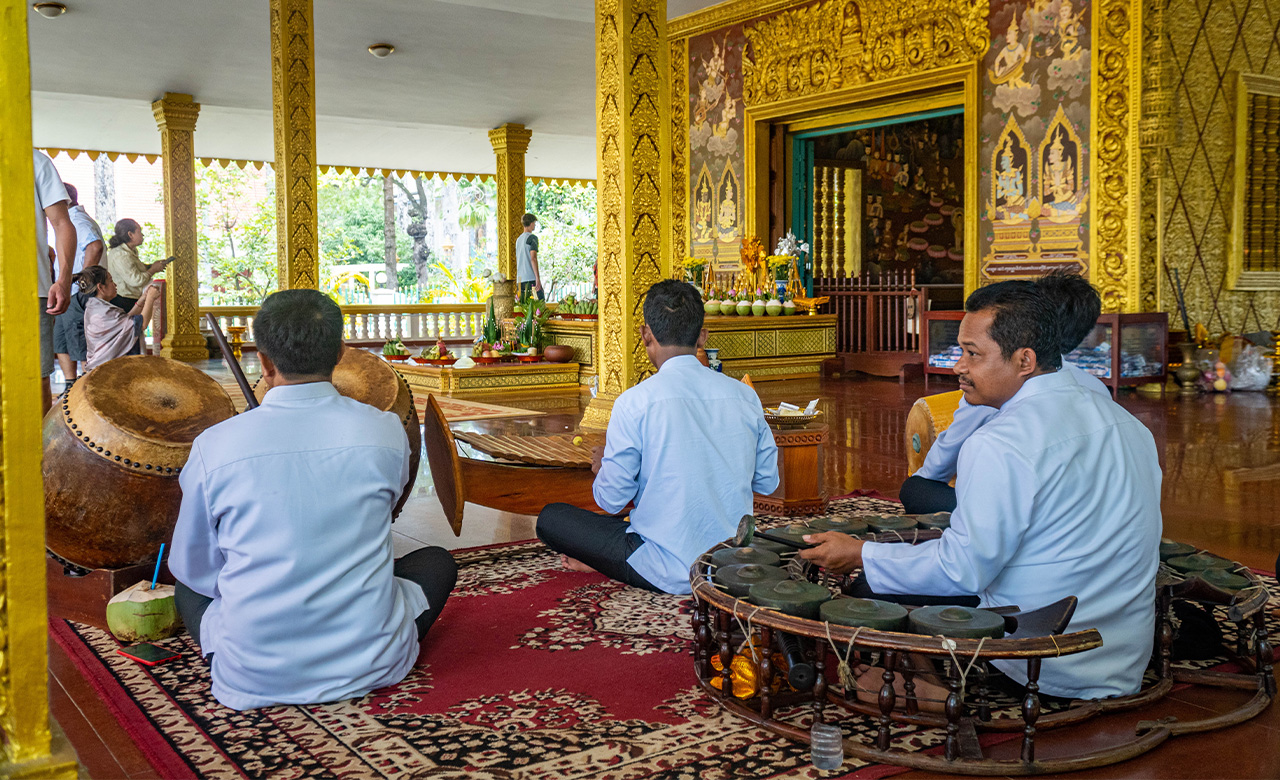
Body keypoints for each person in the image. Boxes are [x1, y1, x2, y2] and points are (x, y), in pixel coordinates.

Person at [800, 281, 1162, 700]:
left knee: (867, 591)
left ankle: (936, 689)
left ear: (1024, 360)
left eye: (973, 354)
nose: (959, 366)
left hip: (1041, 654)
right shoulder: (1127, 422)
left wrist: (861, 553)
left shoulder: (1001, 442)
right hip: (1123, 653)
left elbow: (962, 570)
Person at [168, 289, 457, 711]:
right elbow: (387, 507)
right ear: (340, 353)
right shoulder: (385, 430)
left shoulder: (215, 445)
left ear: (264, 363)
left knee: (185, 589)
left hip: (252, 674)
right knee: (436, 562)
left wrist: (258, 583)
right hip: (373, 663)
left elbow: (192, 566)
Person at [536, 280, 779, 595]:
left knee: (551, 519)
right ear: (702, 335)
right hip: (731, 564)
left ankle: (604, 560)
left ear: (645, 334)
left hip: (664, 568)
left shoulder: (634, 402)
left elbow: (610, 500)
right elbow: (767, 482)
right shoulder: (744, 396)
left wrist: (605, 467)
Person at [900, 272, 1111, 515]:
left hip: (1030, 511)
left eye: (972, 353)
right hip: (1089, 506)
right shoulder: (1098, 389)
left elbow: (937, 467)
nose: (958, 367)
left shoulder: (991, 394)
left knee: (915, 489)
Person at [33, 150, 77, 413]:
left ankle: (36, 440)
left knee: (35, 377)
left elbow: (61, 224)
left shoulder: (34, 161)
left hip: (29, 290)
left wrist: (63, 280)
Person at [52, 184, 105, 386]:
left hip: (77, 292)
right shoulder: (69, 220)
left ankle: (87, 390)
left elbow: (95, 246)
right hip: (69, 291)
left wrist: (83, 282)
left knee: (81, 345)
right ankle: (70, 387)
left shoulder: (78, 221)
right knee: (62, 342)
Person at [76, 266, 161, 371]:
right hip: (106, 369)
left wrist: (142, 299)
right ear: (101, 287)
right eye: (111, 281)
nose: (115, 284)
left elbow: (126, 324)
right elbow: (141, 324)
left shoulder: (96, 307)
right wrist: (150, 298)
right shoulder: (103, 311)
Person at [105, 218, 170, 333]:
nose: (142, 235)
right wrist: (153, 270)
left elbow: (136, 269)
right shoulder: (121, 255)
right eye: (139, 231)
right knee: (131, 332)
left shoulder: (130, 251)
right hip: (124, 300)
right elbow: (136, 280)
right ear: (130, 234)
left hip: (131, 298)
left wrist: (151, 266)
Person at [516, 212, 542, 301]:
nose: (535, 225)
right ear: (531, 223)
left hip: (520, 280)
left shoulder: (518, 240)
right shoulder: (532, 238)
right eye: (534, 223)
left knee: (523, 307)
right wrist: (537, 278)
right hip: (530, 278)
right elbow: (533, 258)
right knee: (539, 304)